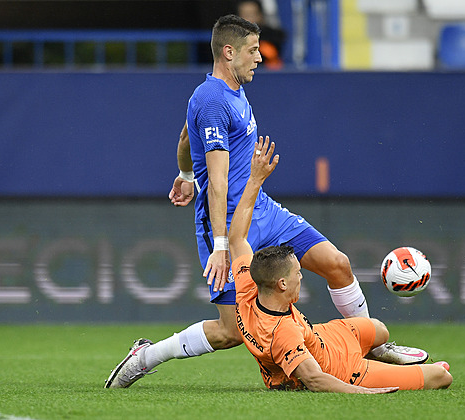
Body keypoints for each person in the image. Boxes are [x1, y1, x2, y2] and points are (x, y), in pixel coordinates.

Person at [104, 14, 426, 389]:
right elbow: (220, 183)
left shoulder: (226, 92)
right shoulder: (211, 99)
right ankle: (145, 356)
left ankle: (366, 350)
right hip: (228, 222)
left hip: (265, 210)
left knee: (337, 264)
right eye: (253, 50)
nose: (259, 58)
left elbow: (185, 140)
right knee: (230, 332)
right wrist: (222, 244)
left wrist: (186, 175)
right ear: (229, 52)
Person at [229, 138, 452, 392]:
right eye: (297, 274)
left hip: (325, 337)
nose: (301, 278)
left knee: (379, 330)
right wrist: (369, 392)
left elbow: (236, 238)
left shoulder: (248, 290)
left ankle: (379, 356)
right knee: (441, 376)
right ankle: (381, 368)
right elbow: (315, 380)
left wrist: (255, 180)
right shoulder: (283, 333)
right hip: (344, 370)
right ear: (281, 283)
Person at [237, 0, 285, 70]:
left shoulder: (273, 38)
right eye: (246, 15)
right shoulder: (230, 39)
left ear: (260, 16)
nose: (249, 20)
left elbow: (274, 62)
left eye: (252, 14)